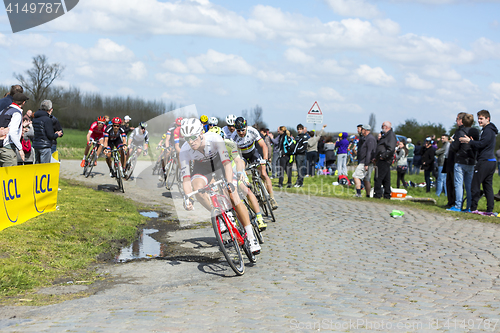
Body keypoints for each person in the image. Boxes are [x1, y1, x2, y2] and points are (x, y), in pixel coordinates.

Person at [180, 118, 261, 254]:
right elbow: (186, 179)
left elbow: (227, 164)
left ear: (201, 133)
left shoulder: (214, 138)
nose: (191, 141)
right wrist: (188, 198)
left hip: (220, 164)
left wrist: (230, 183)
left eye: (193, 137)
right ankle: (219, 214)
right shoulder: (184, 150)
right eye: (187, 138)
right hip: (202, 168)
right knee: (198, 189)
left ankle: (251, 236)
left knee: (233, 196)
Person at [209, 126, 267, 231]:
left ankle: (259, 218)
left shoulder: (229, 144)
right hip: (222, 174)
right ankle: (237, 218)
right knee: (228, 196)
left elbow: (238, 161)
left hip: (234, 168)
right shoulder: (209, 151)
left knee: (246, 190)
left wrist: (241, 172)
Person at [231, 117, 278, 209]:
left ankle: (272, 198)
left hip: (253, 153)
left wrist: (264, 159)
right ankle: (248, 189)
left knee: (263, 174)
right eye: (238, 130)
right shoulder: (233, 137)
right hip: (242, 156)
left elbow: (263, 145)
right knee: (241, 171)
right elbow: (234, 154)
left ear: (246, 127)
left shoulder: (252, 131)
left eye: (242, 130)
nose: (241, 132)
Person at [460, 110, 498, 215]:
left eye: (481, 119)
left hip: (485, 161)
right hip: (491, 161)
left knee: (475, 185)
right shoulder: (490, 130)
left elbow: (482, 144)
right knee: (487, 186)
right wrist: (473, 142)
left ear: (488, 119)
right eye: (478, 119)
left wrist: (470, 142)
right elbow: (482, 145)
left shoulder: (487, 131)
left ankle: (473, 208)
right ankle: (489, 210)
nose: (479, 121)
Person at [448, 113, 478, 212]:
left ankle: (458, 205)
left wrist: (452, 143)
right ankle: (469, 206)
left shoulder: (460, 132)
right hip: (471, 160)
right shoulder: (476, 132)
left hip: (460, 160)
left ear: (463, 121)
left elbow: (455, 147)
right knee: (469, 185)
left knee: (459, 184)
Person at [0, 93, 29, 166]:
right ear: (23, 102)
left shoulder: (4, 110)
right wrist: (20, 149)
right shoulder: (16, 113)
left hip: (1, 145)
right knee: (10, 175)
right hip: (8, 148)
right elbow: (13, 132)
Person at [373, 121, 397, 199]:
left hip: (384, 159)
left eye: (382, 126)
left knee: (378, 177)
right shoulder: (386, 135)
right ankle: (387, 194)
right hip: (382, 159)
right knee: (386, 179)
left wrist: (383, 156)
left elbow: (391, 148)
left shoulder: (390, 135)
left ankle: (378, 194)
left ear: (386, 127)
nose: (381, 128)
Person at [353, 124, 376, 197]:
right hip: (367, 161)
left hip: (365, 162)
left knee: (356, 176)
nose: (361, 131)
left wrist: (366, 164)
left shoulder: (370, 139)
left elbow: (369, 151)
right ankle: (368, 195)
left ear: (365, 130)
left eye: (362, 129)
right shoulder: (367, 138)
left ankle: (358, 193)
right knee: (366, 179)